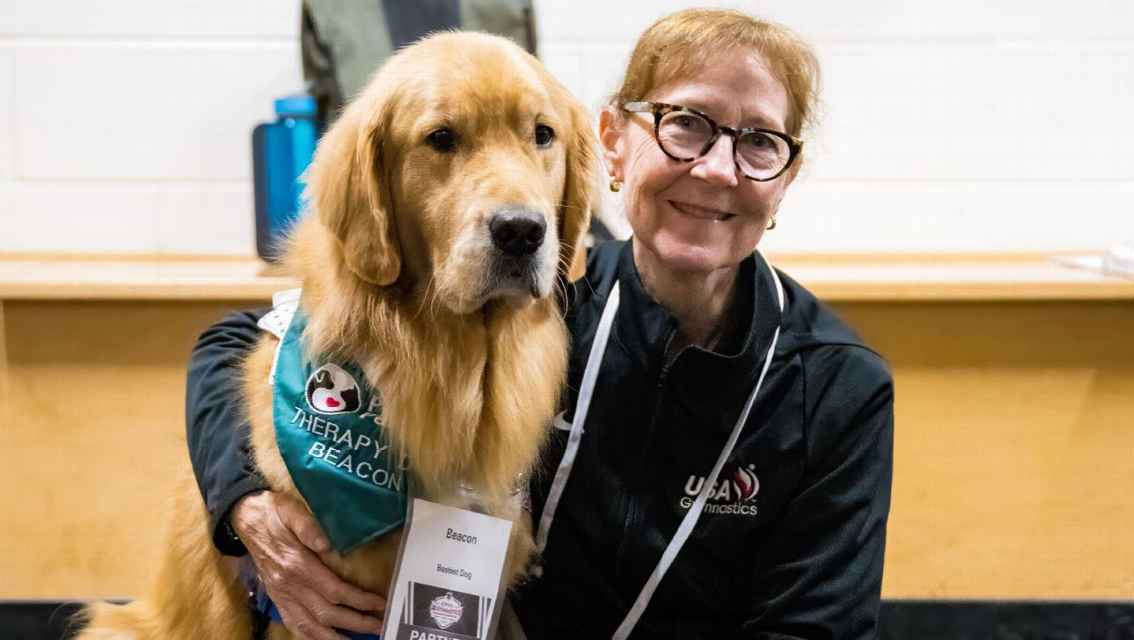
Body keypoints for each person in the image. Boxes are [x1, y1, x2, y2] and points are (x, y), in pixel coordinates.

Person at [187, 8, 893, 639]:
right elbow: (238, 342)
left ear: (785, 180)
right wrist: (244, 506)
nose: (716, 169)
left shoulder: (838, 391)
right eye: (687, 125)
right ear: (614, 143)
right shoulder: (546, 307)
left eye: (761, 142)